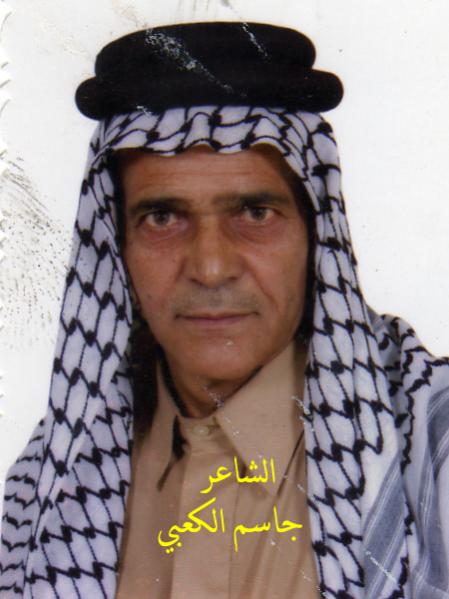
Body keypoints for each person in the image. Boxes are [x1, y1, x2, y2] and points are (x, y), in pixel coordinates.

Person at [1, 21, 448, 599]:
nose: (211, 268)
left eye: (255, 213)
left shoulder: (429, 444)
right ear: (118, 248)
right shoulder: (52, 479)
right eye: (162, 218)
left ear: (314, 235)